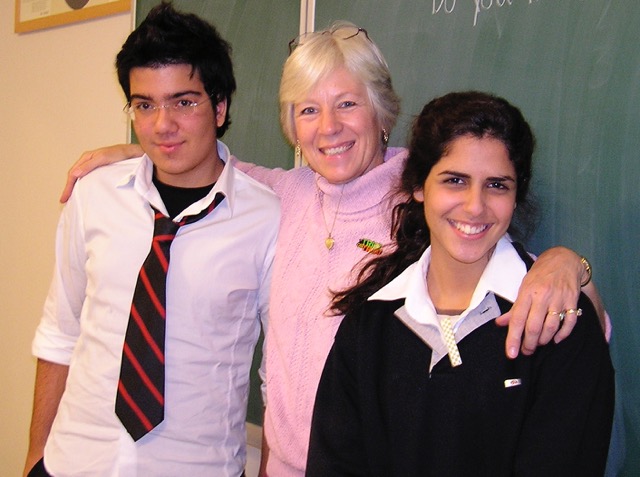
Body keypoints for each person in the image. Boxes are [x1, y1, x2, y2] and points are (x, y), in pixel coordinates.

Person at [57, 23, 609, 476]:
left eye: (346, 103)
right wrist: (136, 149)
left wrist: (569, 265)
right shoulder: (283, 194)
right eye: (307, 110)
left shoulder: (425, 195)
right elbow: (203, 164)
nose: (328, 128)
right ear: (292, 127)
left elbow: (500, 254)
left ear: (381, 111)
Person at [22, 3, 279, 477]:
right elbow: (60, 332)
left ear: (220, 107)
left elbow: (278, 378)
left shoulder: (267, 219)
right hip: (74, 461)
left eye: (184, 102)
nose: (163, 125)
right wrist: (36, 456)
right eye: (145, 105)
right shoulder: (95, 195)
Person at [306, 91, 615, 477]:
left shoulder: (559, 324)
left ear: (517, 195)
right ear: (419, 186)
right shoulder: (368, 326)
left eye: (497, 185)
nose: (474, 205)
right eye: (455, 180)